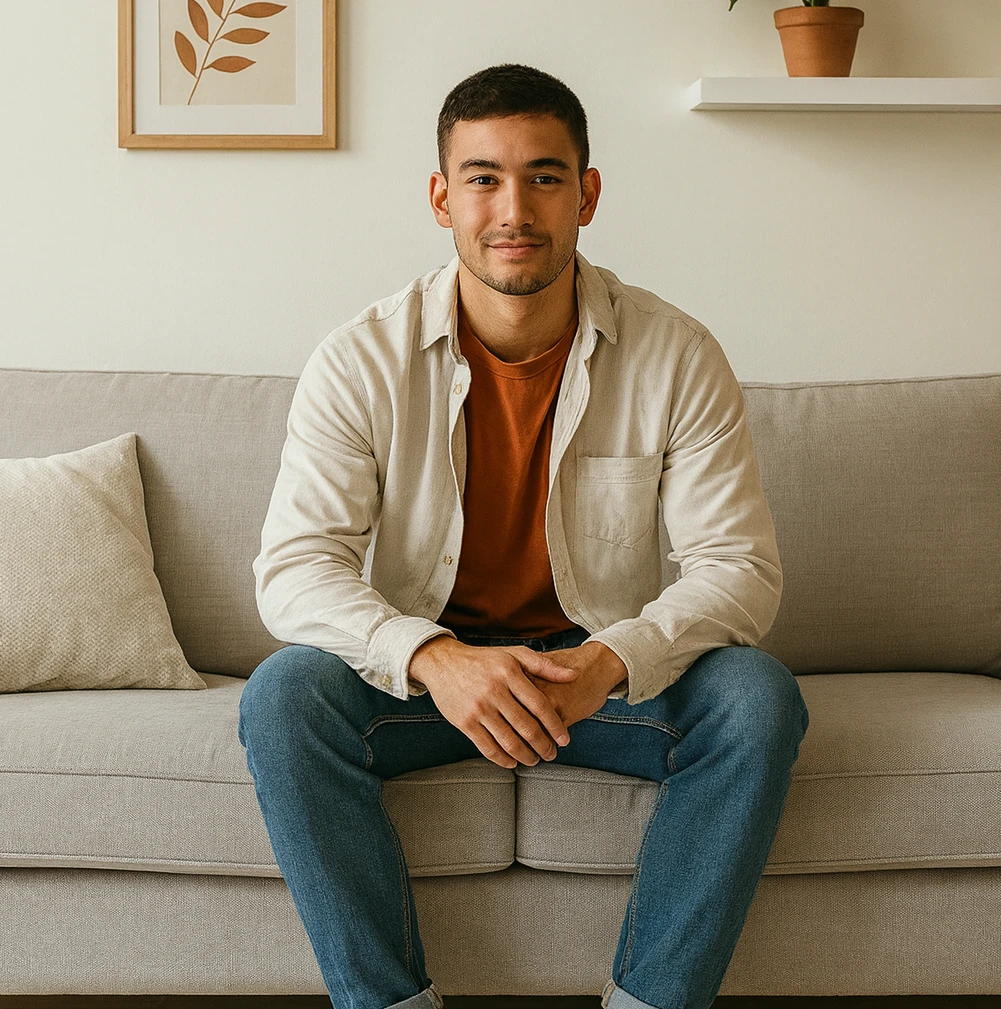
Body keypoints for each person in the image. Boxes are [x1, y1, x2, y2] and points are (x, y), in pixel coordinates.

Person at [238, 63, 809, 1009]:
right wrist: (434, 657)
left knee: (754, 697)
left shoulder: (676, 353)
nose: (514, 208)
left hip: (590, 683)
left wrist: (609, 660)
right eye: (482, 177)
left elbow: (737, 568)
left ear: (586, 194)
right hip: (430, 685)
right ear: (440, 196)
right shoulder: (359, 359)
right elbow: (294, 571)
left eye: (544, 176)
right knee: (284, 695)